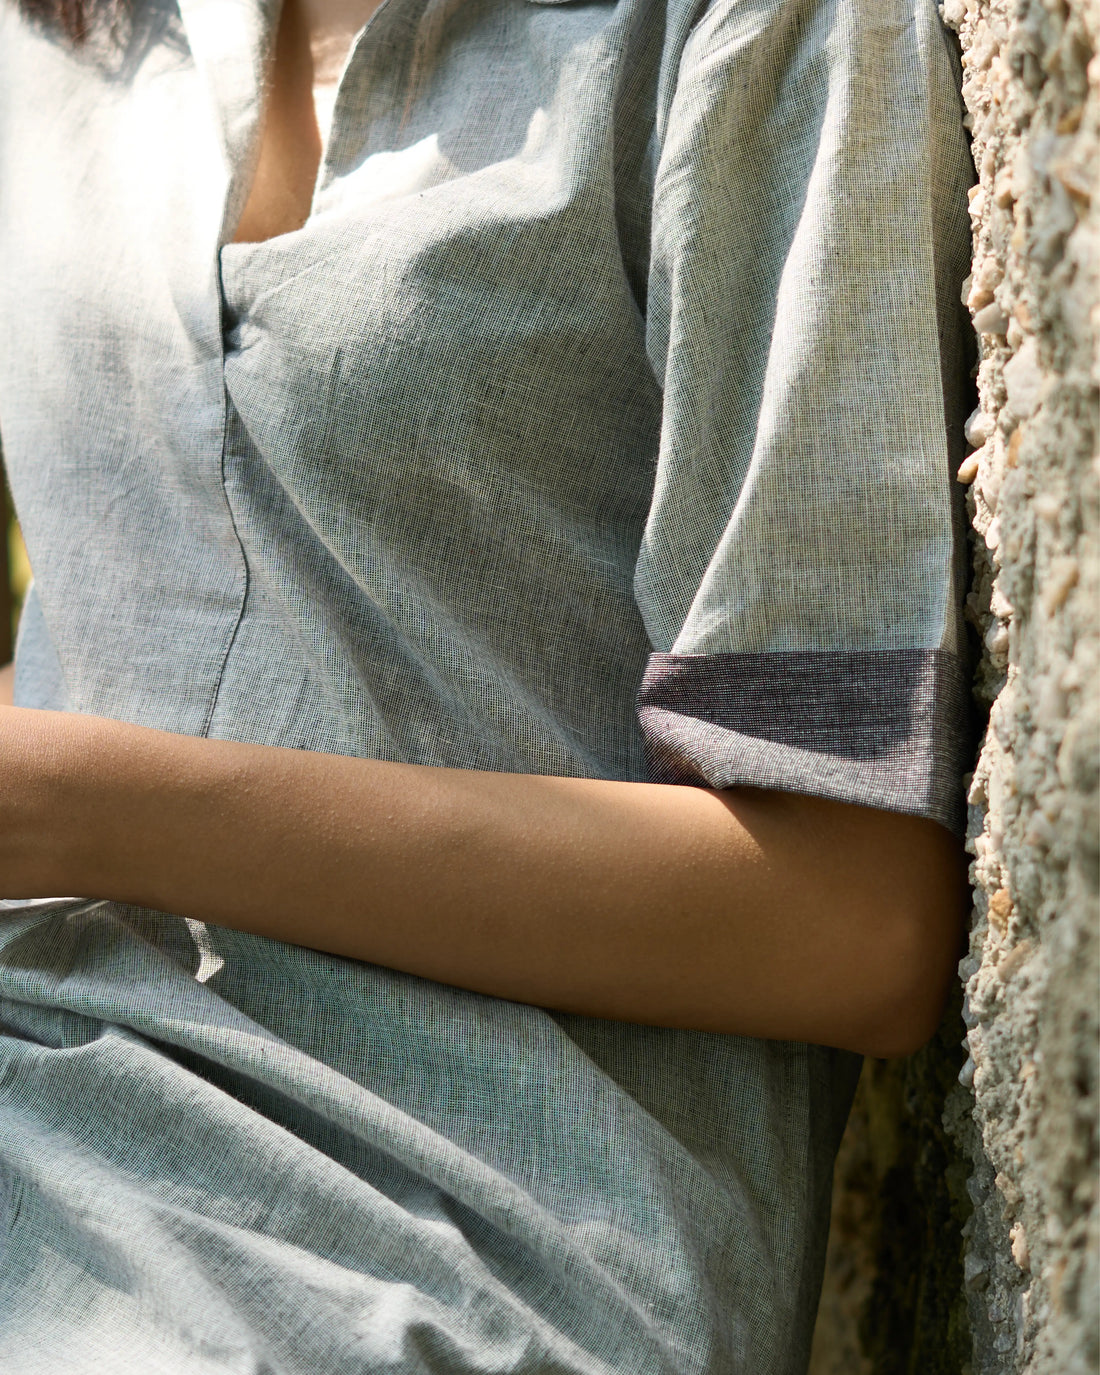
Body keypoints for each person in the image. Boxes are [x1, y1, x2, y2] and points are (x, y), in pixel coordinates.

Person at [0, 0, 975, 1369]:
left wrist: (73, 805)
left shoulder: (749, 31)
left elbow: (851, 920)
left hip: (438, 1259)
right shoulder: (55, 45)